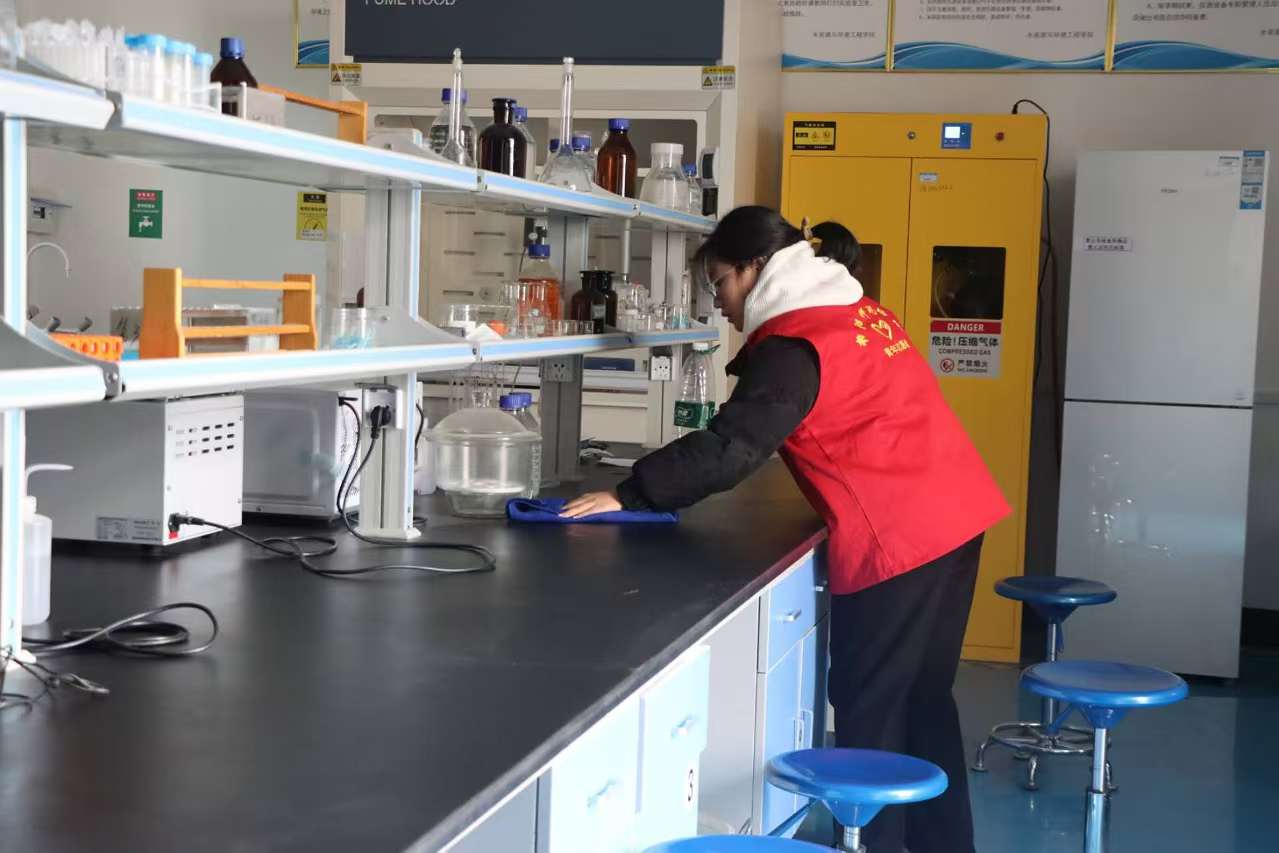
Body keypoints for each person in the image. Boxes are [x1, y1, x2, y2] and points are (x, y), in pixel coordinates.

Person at [562, 206, 1008, 853]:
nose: (718, 302)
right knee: (922, 701)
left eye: (719, 283)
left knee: (872, 712)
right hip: (956, 515)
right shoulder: (855, 310)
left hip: (901, 536)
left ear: (754, 269)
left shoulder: (795, 343)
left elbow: (732, 448)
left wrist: (628, 492)